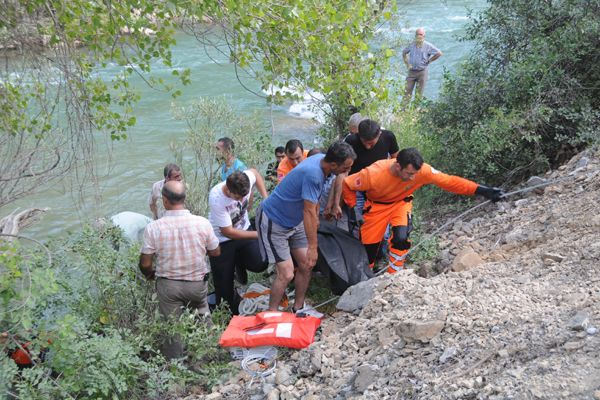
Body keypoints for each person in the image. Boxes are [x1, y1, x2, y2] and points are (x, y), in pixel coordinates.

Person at [343, 148, 504, 273]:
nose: (413, 178)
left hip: (401, 204)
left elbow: (450, 181)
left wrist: (482, 190)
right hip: (376, 207)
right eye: (409, 173)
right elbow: (347, 184)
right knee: (369, 249)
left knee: (401, 238)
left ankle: (395, 276)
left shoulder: (423, 171)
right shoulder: (373, 173)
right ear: (397, 165)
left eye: (415, 174)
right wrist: (352, 208)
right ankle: (365, 276)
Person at [256, 142, 356, 312]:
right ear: (333, 164)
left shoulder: (321, 160)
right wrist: (313, 246)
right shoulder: (314, 174)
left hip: (296, 221)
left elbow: (313, 201)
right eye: (346, 168)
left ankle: (299, 308)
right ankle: (271, 314)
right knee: (286, 273)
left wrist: (317, 216)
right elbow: (308, 211)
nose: (347, 171)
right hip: (275, 220)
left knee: (307, 264)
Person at [139, 180, 220, 359]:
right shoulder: (202, 223)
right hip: (197, 285)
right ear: (184, 198)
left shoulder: (154, 228)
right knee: (202, 313)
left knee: (172, 326)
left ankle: (175, 366)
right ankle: (209, 355)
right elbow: (215, 251)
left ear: (165, 201)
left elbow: (145, 263)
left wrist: (150, 275)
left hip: (169, 288)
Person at [208, 169, 269, 314]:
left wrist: (266, 198)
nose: (242, 201)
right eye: (238, 198)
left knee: (261, 262)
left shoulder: (245, 178)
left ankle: (238, 263)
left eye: (244, 196)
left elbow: (255, 173)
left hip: (244, 228)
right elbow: (228, 232)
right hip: (222, 240)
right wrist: (259, 235)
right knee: (224, 292)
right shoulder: (217, 197)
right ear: (229, 191)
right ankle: (231, 315)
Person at [325, 119, 399, 229]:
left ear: (379, 134)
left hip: (377, 185)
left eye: (371, 143)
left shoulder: (388, 137)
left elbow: (396, 161)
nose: (367, 147)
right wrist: (335, 204)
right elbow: (342, 174)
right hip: (356, 185)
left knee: (378, 224)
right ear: (358, 135)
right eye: (364, 142)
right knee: (357, 222)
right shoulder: (352, 141)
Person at [402, 28, 442, 102]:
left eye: (421, 34)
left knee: (419, 94)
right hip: (411, 72)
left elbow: (439, 53)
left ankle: (415, 112)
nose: (419, 36)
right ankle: (403, 111)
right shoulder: (411, 45)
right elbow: (404, 52)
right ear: (415, 36)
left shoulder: (428, 46)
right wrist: (407, 64)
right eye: (417, 34)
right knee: (406, 92)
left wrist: (430, 60)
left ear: (424, 36)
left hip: (422, 72)